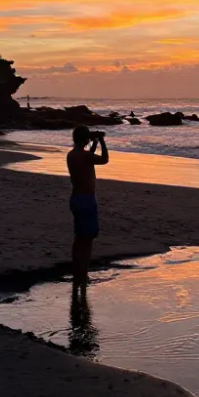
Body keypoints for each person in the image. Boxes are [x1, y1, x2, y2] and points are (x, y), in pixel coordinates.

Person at [67, 125, 109, 300]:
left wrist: (93, 144)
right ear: (84, 139)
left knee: (79, 238)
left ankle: (77, 271)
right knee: (88, 240)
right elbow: (104, 159)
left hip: (76, 199)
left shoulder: (72, 155)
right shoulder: (84, 156)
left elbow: (89, 158)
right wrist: (102, 142)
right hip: (87, 200)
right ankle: (83, 274)